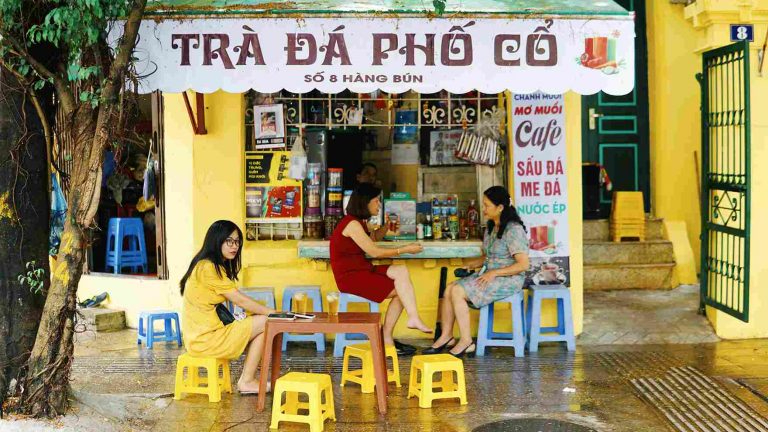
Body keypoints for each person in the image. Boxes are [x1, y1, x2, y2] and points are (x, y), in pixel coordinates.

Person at [424, 186, 530, 358]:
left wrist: (493, 273)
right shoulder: (491, 227)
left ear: (500, 207)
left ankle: (466, 341)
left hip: (509, 279)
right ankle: (447, 336)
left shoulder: (513, 230)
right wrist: (471, 265)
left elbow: (523, 265)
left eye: (487, 205)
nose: (484, 209)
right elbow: (488, 258)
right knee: (450, 288)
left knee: (458, 291)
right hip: (491, 275)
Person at [330, 183, 432, 355]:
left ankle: (412, 318)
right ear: (365, 202)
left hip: (362, 270)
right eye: (376, 201)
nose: (379, 205)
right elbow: (374, 251)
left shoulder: (358, 223)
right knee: (402, 290)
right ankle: (387, 335)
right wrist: (405, 249)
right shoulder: (351, 224)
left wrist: (385, 228)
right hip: (351, 278)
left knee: (401, 272)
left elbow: (371, 239)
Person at [180, 220, 277, 394]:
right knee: (266, 321)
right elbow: (241, 300)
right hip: (205, 340)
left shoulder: (207, 265)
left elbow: (237, 302)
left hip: (203, 336)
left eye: (237, 241)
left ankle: (249, 380)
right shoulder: (208, 268)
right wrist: (275, 313)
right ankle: (246, 381)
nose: (234, 246)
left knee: (261, 324)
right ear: (217, 241)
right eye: (229, 241)